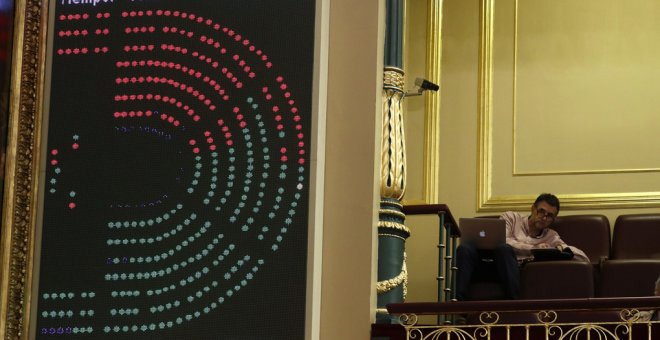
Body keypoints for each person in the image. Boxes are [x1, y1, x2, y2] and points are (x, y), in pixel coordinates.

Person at [455, 193, 589, 301]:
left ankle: (513, 304)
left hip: (513, 272)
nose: (544, 218)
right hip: (488, 264)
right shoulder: (511, 218)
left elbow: (583, 258)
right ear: (533, 208)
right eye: (541, 211)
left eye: (549, 216)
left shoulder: (551, 235)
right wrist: (533, 247)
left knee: (504, 250)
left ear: (553, 220)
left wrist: (562, 248)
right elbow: (502, 240)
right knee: (466, 248)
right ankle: (458, 305)